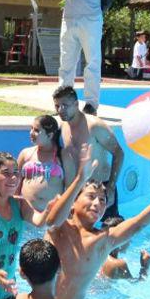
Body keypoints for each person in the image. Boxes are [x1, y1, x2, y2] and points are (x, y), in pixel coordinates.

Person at [47, 158, 150, 299]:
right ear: (74, 201)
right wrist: (80, 179)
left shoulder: (102, 240)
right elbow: (51, 220)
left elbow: (138, 224)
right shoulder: (59, 227)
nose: (97, 203)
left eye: (102, 200)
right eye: (91, 196)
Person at [0, 148, 95, 299]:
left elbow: (43, 222)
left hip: (7, 293)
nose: (13, 178)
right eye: (6, 173)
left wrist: (78, 182)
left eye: (16, 173)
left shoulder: (19, 204)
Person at [43, 0, 110, 115]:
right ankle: (63, 103)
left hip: (91, 19)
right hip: (69, 19)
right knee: (66, 64)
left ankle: (91, 104)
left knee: (92, 62)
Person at [53, 85, 124, 219]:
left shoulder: (95, 126)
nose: (60, 110)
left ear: (76, 104)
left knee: (109, 232)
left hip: (101, 189)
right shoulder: (63, 128)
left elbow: (119, 153)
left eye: (65, 105)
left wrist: (111, 186)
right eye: (57, 106)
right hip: (79, 190)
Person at [17, 115, 69, 212]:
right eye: (31, 128)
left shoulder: (62, 156)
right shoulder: (26, 153)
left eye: (36, 130)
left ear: (50, 135)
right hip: (25, 214)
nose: (31, 133)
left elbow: (70, 188)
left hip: (50, 216)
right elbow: (16, 182)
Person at [98, 216, 150, 280]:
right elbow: (135, 285)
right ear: (121, 237)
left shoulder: (92, 254)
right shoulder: (117, 264)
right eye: (127, 235)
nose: (130, 240)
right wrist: (145, 267)